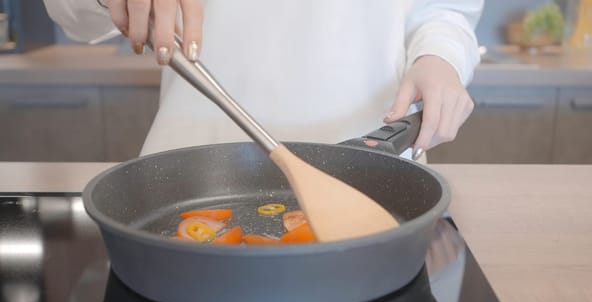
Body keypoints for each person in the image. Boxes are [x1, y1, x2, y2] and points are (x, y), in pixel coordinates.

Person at [43, 0, 483, 161]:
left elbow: (443, 11)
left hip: (375, 161)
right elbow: (72, 15)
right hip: (192, 173)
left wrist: (440, 56)